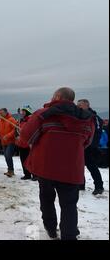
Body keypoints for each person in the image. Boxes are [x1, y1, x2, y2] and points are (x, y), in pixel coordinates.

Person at [19, 87, 95, 240]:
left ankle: (51, 228)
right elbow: (86, 142)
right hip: (72, 168)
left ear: (58, 96)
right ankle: (69, 234)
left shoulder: (43, 114)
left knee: (46, 198)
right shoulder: (86, 118)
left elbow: (26, 136)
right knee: (69, 204)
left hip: (45, 166)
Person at [77, 99, 105, 195]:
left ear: (87, 105)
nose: (78, 106)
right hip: (80, 145)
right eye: (78, 105)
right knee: (79, 165)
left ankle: (99, 186)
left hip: (90, 146)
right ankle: (81, 184)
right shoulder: (79, 116)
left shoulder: (94, 117)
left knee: (91, 166)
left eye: (80, 105)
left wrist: (92, 144)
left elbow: (97, 132)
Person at [0, 108, 18, 177]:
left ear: (6, 112)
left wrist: (8, 136)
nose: (0, 114)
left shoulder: (11, 120)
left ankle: (11, 170)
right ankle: (9, 170)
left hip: (11, 141)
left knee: (8, 155)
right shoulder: (0, 121)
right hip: (3, 142)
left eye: (2, 113)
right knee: (6, 156)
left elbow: (15, 130)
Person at [16, 105, 36, 181]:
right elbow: (17, 130)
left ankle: (34, 174)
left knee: (31, 160)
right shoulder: (22, 120)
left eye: (23, 111)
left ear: (27, 112)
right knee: (23, 160)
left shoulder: (31, 120)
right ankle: (27, 174)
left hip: (29, 144)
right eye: (22, 111)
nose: (22, 112)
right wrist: (18, 135)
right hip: (21, 143)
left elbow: (32, 131)